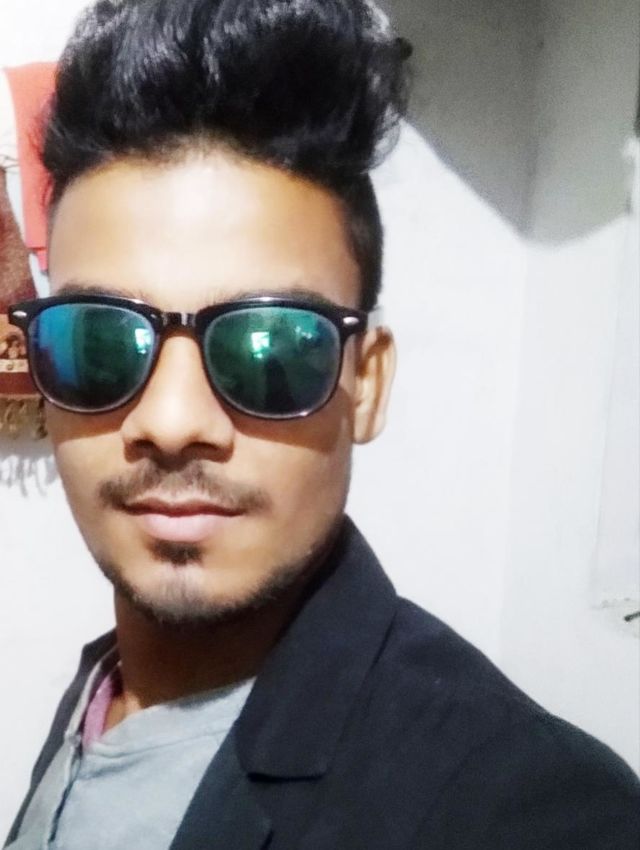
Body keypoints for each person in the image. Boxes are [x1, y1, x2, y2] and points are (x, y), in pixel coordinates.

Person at [5, 1, 640, 847]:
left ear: (366, 384)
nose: (172, 420)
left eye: (270, 347)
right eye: (100, 342)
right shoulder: (108, 689)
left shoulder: (533, 810)